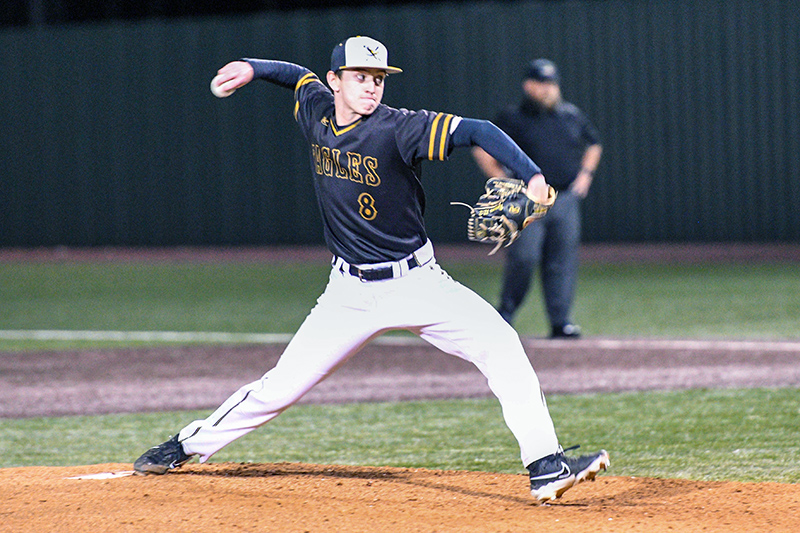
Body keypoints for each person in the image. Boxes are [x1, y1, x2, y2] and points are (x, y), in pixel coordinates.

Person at [133, 36, 608, 503]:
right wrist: (252, 67)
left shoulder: (400, 128)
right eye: (360, 76)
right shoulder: (316, 109)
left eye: (378, 77)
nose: (371, 87)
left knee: (501, 345)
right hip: (348, 293)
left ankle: (545, 465)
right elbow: (295, 76)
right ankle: (187, 445)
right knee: (279, 387)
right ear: (335, 80)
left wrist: (532, 174)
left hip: (418, 282)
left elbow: (478, 130)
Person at [473, 58, 603, 338]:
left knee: (562, 260)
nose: (548, 90)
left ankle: (560, 321)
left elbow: (594, 143)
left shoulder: (570, 115)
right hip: (527, 199)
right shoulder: (513, 117)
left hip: (565, 197)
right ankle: (505, 313)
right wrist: (500, 178)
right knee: (524, 257)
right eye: (542, 83)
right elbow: (481, 148)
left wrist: (586, 174)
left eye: (552, 84)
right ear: (528, 85)